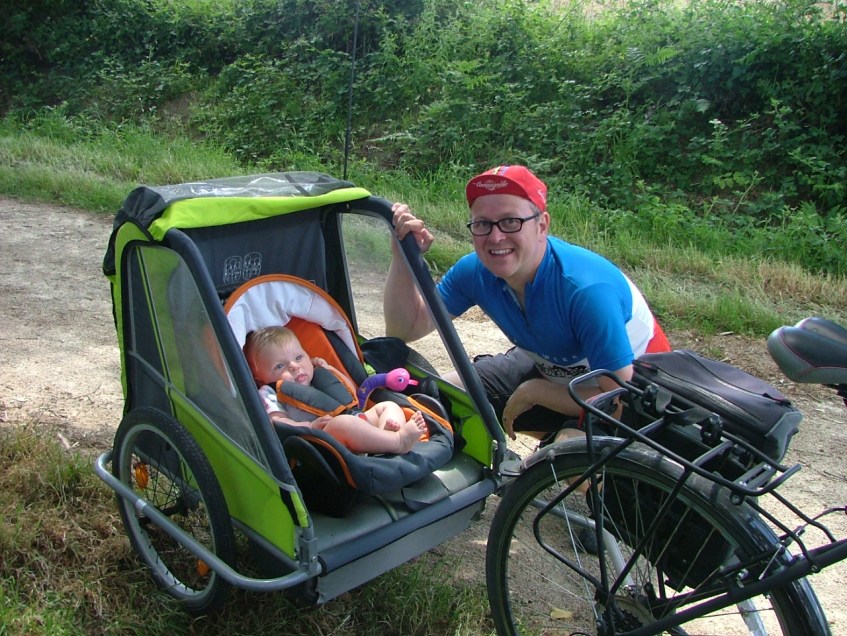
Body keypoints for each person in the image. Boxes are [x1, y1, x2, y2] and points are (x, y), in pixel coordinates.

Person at [384, 165, 671, 443]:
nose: (496, 237)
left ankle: (573, 460)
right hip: (556, 369)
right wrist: (404, 257)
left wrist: (536, 393)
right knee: (440, 394)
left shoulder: (585, 290)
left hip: (632, 394)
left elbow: (616, 399)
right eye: (483, 223)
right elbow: (406, 328)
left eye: (511, 221)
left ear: (542, 225)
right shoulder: (475, 272)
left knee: (567, 451)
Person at [245, 326, 427, 454]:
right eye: (280, 366)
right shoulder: (269, 393)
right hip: (324, 438)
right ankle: (398, 442)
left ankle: (384, 435)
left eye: (299, 357)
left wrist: (330, 370)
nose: (294, 366)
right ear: (260, 379)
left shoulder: (316, 376)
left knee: (388, 406)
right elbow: (277, 423)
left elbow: (351, 394)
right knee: (344, 424)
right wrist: (309, 426)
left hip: (356, 419)